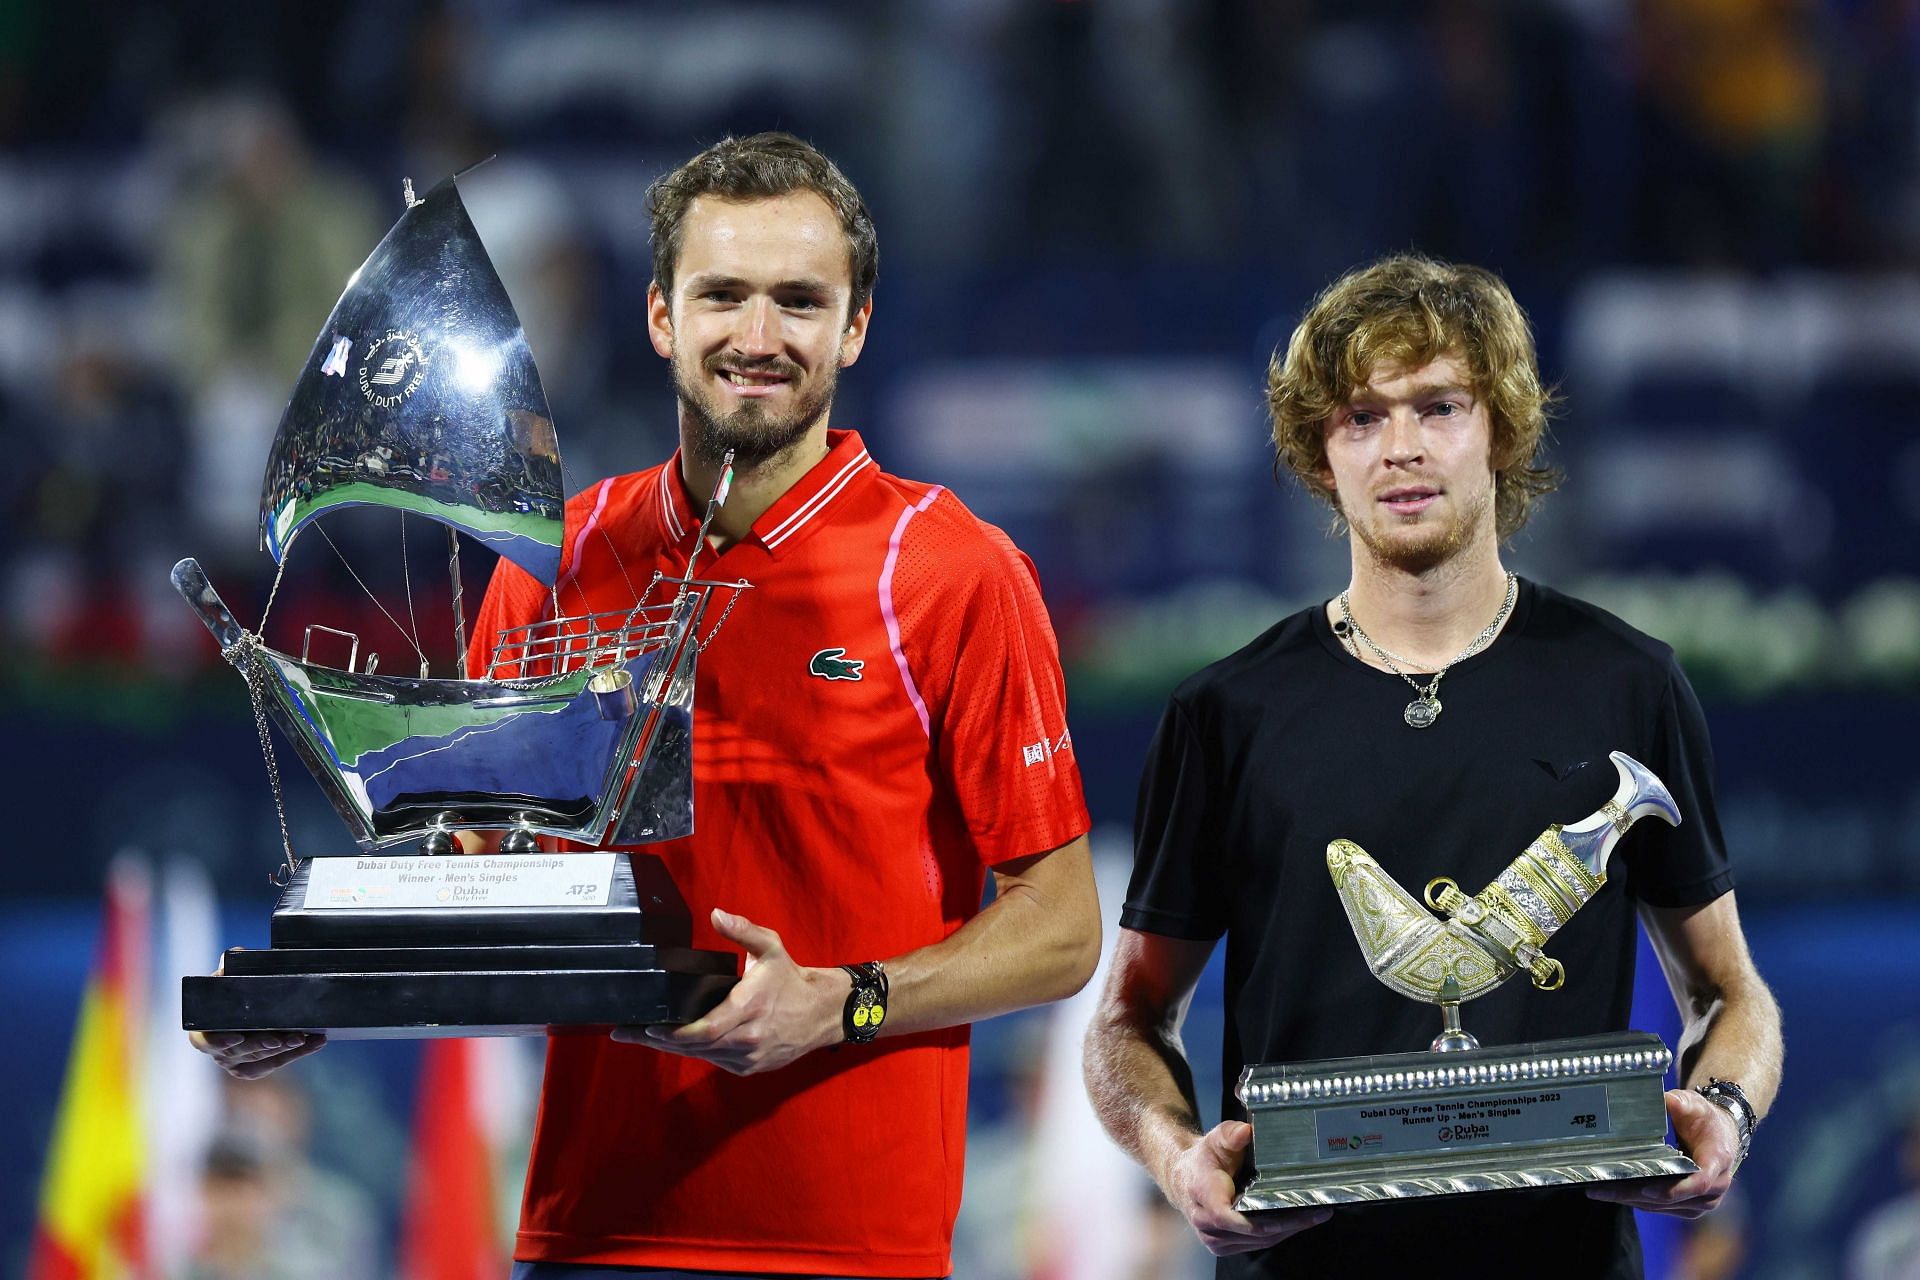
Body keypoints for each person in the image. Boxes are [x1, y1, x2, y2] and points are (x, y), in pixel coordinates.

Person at [194, 133, 1101, 1280]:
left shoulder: (953, 570)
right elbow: (482, 868)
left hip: (851, 1249)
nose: (758, 337)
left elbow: (1064, 924)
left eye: (798, 301)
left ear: (856, 326)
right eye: (722, 294)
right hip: (591, 1234)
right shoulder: (553, 559)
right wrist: (323, 986)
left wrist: (846, 1001)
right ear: (663, 317)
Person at [1081, 254, 1783, 1278]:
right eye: (1361, 416)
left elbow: (1728, 993)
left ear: (1502, 426)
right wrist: (1177, 1156)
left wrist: (1723, 1109)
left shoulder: (1627, 682)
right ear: (1321, 453)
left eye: (1439, 406)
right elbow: (1127, 1019)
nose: (1401, 447)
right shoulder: (1225, 713)